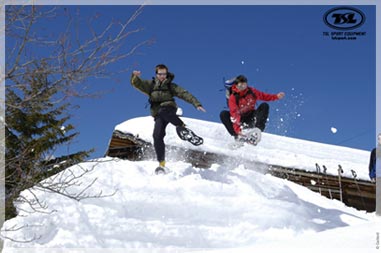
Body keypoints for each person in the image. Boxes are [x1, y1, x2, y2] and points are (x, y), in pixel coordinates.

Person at [131, 64, 206, 170]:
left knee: (163, 110)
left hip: (169, 109)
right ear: (156, 74)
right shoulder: (151, 85)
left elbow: (184, 94)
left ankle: (182, 126)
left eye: (164, 74)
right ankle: (161, 163)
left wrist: (196, 104)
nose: (162, 76)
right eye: (160, 74)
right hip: (158, 114)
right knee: (157, 136)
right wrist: (135, 76)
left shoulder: (171, 86)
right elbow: (137, 84)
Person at [220, 75, 285, 143]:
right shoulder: (233, 98)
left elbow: (264, 96)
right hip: (240, 120)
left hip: (251, 118)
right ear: (236, 85)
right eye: (240, 85)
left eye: (244, 85)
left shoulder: (251, 91)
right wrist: (238, 131)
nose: (242, 88)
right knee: (223, 114)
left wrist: (276, 96)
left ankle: (257, 131)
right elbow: (234, 114)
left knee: (264, 105)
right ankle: (237, 137)